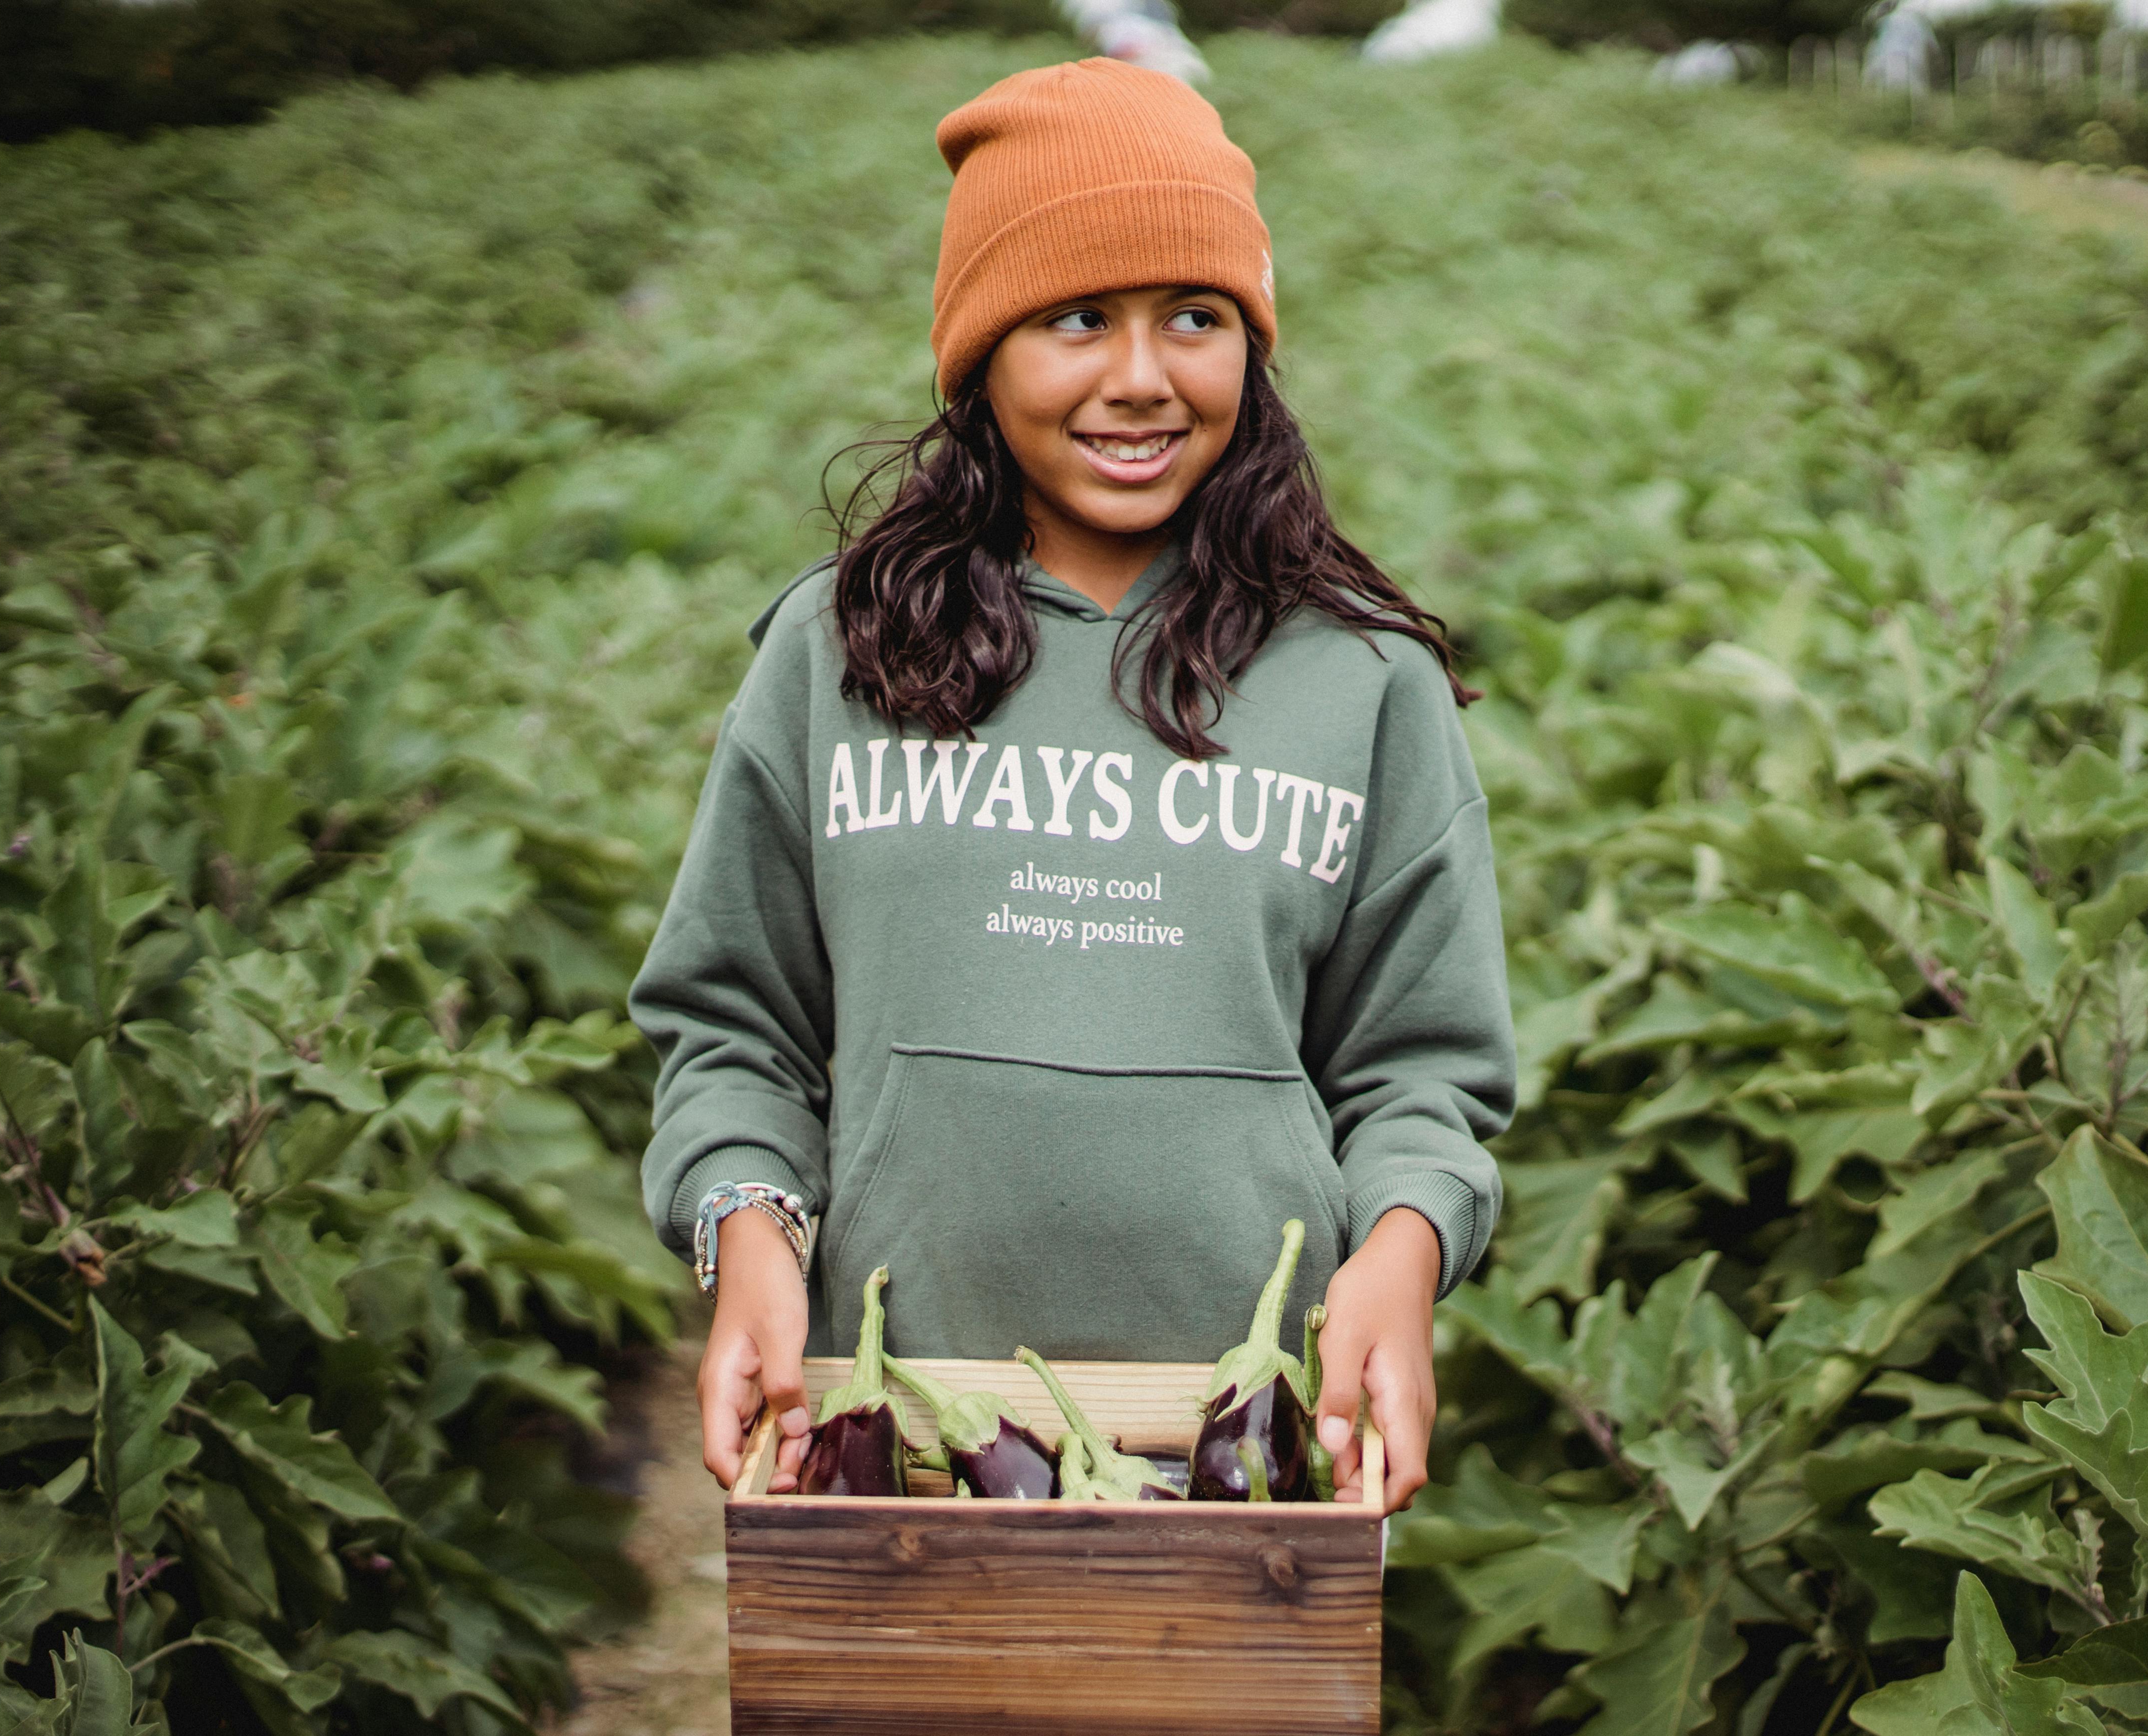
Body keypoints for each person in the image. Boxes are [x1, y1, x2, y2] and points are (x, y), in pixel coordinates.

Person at [630, 57, 1514, 1513]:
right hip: (886, 1426)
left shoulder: (1361, 683)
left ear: (1254, 344)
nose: (1142, 377)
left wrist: (1404, 1255)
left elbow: (1421, 1072)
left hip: (1255, 1443)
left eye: (1196, 315)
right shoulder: (835, 655)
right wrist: (748, 1238)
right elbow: (736, 1028)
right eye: (1075, 319)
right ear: (982, 353)